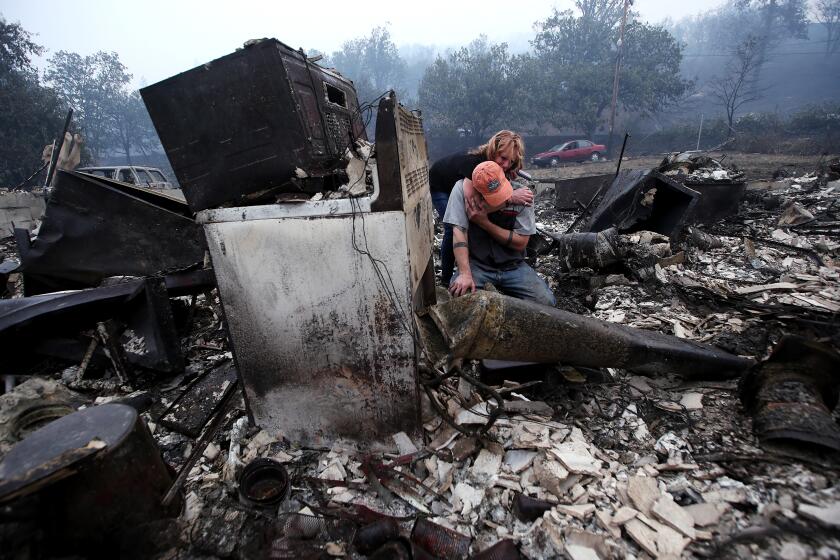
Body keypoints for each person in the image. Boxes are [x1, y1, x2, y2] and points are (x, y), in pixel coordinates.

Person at [443, 161, 556, 306]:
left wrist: (484, 223)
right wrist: (465, 274)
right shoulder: (463, 192)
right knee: (460, 299)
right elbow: (459, 233)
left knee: (546, 303)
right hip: (478, 266)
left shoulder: (522, 196)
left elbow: (521, 243)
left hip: (513, 266)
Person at [428, 130, 534, 285]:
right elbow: (473, 209)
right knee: (452, 227)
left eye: (510, 162)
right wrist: (510, 198)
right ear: (493, 151)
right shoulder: (477, 166)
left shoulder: (496, 165)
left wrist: (509, 169)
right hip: (440, 185)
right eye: (503, 158)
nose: (505, 165)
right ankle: (446, 278)